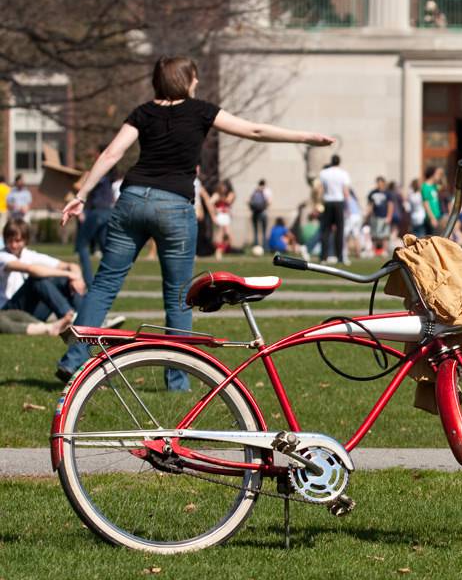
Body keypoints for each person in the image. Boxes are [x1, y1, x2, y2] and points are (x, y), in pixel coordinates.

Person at [57, 55, 335, 383]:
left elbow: (111, 154)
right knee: (178, 294)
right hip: (174, 205)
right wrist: (305, 137)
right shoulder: (201, 110)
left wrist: (81, 196)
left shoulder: (143, 112)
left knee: (104, 284)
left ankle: (73, 359)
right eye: (195, 78)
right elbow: (254, 130)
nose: (198, 83)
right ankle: (177, 379)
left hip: (132, 199)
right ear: (185, 80)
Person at [0, 219, 90, 325]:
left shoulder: (28, 254)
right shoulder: (3, 256)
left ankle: (85, 318)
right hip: (8, 311)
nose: (14, 245)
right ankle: (70, 318)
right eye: (10, 241)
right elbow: (31, 270)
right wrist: (68, 274)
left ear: (25, 240)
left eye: (18, 240)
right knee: (36, 279)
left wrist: (77, 278)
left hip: (29, 311)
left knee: (64, 280)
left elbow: (70, 265)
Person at [73, 158, 117, 286]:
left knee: (81, 246)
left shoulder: (101, 175)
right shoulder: (108, 176)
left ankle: (89, 281)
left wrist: (79, 179)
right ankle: (109, 281)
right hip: (107, 212)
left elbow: (80, 186)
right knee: (105, 247)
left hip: (98, 212)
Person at [318, 154, 350, 264]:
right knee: (339, 231)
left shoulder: (324, 173)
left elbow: (320, 190)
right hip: (338, 202)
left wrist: (318, 203)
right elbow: (346, 192)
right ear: (339, 162)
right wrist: (348, 207)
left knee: (325, 230)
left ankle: (323, 257)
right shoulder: (343, 174)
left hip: (328, 202)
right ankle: (340, 257)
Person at [366, 176, 394, 254]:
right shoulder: (373, 193)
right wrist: (368, 214)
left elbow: (390, 205)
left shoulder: (388, 193)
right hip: (375, 216)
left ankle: (384, 250)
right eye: (377, 183)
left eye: (380, 183)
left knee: (384, 235)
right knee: (374, 234)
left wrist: (389, 216)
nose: (378, 184)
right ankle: (373, 250)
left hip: (384, 216)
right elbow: (370, 204)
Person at [211, 180, 236, 260]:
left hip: (226, 216)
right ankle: (218, 251)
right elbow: (210, 203)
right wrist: (215, 211)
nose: (224, 188)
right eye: (222, 186)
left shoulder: (229, 194)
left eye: (225, 187)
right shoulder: (216, 195)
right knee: (220, 234)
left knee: (229, 235)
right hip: (220, 216)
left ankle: (222, 250)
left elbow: (229, 201)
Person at [248, 179, 271, 249]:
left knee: (255, 230)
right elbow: (269, 202)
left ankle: (256, 245)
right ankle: (264, 246)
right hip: (263, 212)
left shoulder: (255, 190)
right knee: (264, 231)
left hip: (255, 212)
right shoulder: (267, 191)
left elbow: (249, 201)